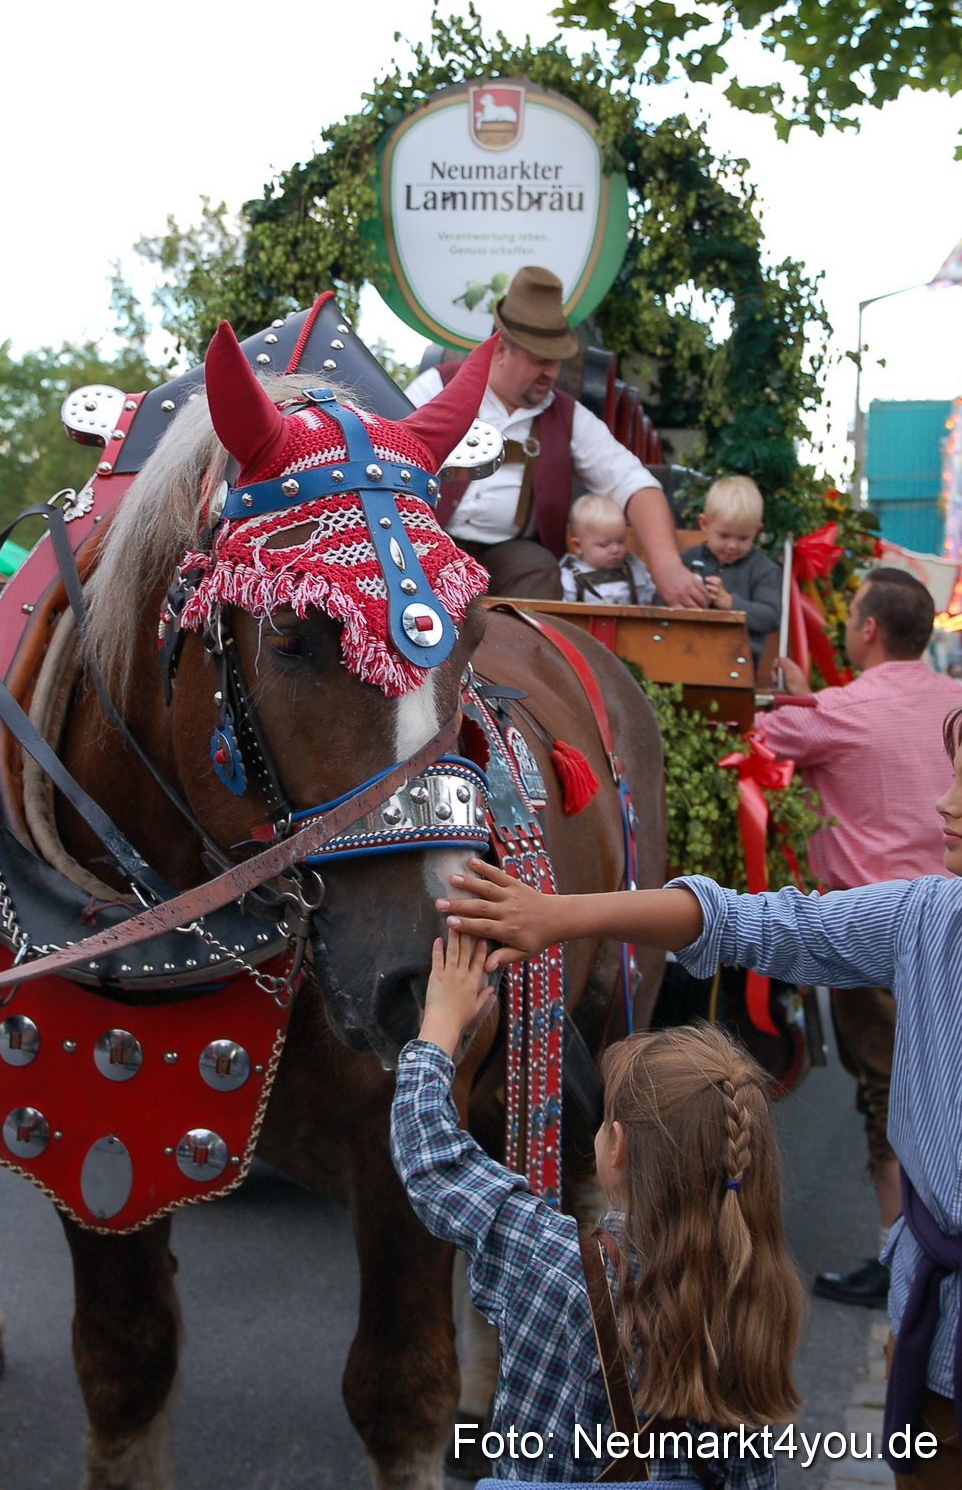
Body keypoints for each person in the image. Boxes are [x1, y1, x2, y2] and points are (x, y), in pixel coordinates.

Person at [437, 711, 962, 1485]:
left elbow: (433, 1163)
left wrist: (429, 1049)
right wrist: (556, 915)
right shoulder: (929, 914)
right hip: (939, 1328)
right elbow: (757, 922)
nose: (944, 804)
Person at [391, 932, 799, 1486]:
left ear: (619, 1146)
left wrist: (439, 1025)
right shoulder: (755, 1288)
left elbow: (433, 1159)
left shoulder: (554, 1262)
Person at [757, 567, 960, 1311]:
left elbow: (755, 735)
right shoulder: (954, 700)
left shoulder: (839, 710)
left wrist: (792, 686)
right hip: (954, 918)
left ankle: (899, 1259)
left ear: (867, 630)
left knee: (888, 1092)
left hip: (874, 935)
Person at [405, 266, 706, 607]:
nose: (551, 372)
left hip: (511, 557)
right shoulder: (435, 386)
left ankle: (526, 660)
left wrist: (667, 565)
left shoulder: (567, 415)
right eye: (539, 360)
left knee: (540, 569)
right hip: (431, 541)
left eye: (556, 361)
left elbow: (632, 482)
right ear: (501, 350)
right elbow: (383, 455)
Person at [678, 477, 781, 664]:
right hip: (684, 652)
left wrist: (732, 603)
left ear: (756, 531)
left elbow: (770, 618)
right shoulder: (685, 560)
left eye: (743, 538)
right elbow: (660, 599)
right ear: (704, 524)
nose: (732, 545)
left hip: (737, 662)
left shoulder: (763, 570)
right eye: (724, 535)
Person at [559, 493, 657, 605]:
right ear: (578, 546)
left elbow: (649, 601)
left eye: (620, 541)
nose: (615, 549)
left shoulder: (634, 568)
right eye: (604, 544)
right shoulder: (569, 578)